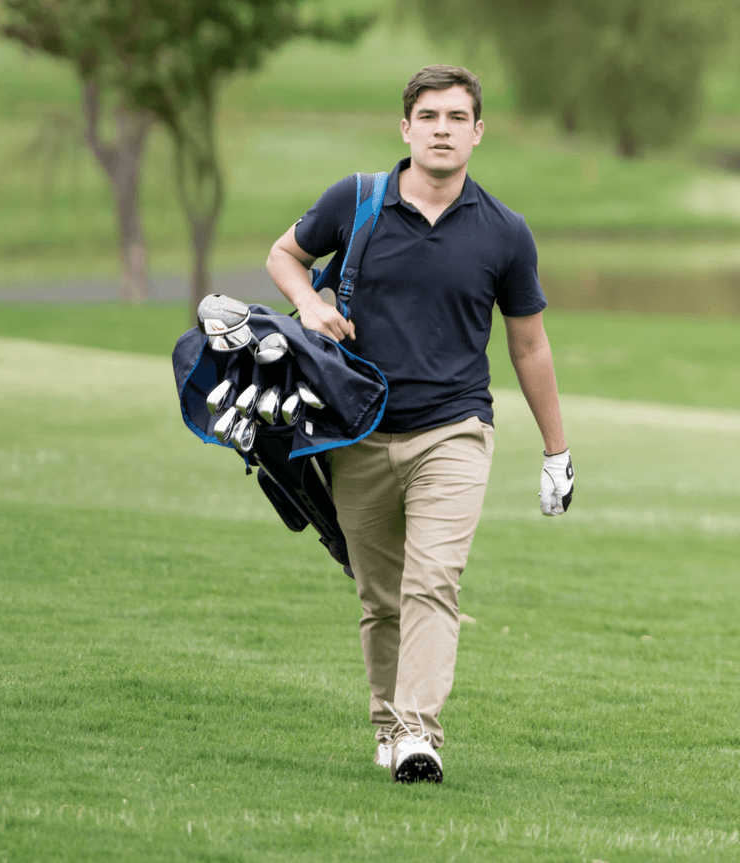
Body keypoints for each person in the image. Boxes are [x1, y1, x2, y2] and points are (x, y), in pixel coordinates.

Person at [266, 65, 573, 784]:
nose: (442, 128)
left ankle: (416, 734)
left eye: (456, 117)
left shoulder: (505, 233)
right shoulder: (356, 200)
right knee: (379, 595)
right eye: (428, 116)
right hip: (356, 432)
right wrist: (308, 306)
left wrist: (556, 451)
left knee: (432, 580)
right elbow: (285, 255)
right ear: (406, 128)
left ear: (477, 131)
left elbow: (528, 344)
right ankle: (385, 719)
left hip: (454, 430)